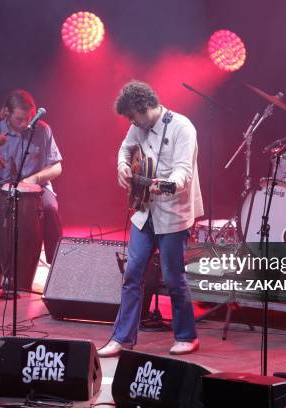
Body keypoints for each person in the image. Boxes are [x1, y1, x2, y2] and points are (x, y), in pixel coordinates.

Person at [98, 80, 204, 357]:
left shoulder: (183, 127)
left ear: (143, 107)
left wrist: (168, 184)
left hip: (174, 214)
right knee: (132, 274)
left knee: (173, 277)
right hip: (145, 212)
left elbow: (184, 171)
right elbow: (125, 149)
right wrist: (122, 165)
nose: (132, 122)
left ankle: (187, 336)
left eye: (133, 116)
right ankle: (122, 338)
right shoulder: (138, 127)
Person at [0, 89, 63, 287]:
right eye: (19, 119)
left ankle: (58, 265)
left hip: (37, 189)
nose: (25, 124)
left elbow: (57, 166)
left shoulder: (42, 130)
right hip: (3, 190)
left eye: (29, 118)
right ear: (7, 113)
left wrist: (34, 179)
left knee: (50, 208)